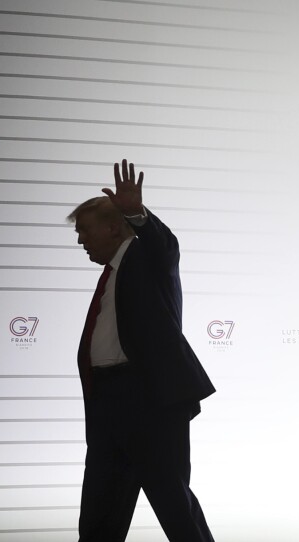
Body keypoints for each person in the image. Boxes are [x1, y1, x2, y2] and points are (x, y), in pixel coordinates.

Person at [69, 159, 216, 541]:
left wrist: (136, 213)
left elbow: (165, 246)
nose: (81, 240)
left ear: (112, 227)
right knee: (100, 512)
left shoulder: (147, 257)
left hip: (150, 401)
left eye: (85, 230)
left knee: (174, 505)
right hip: (107, 404)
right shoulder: (110, 274)